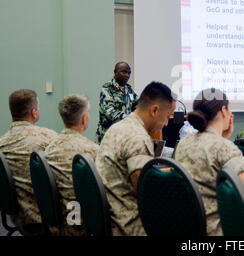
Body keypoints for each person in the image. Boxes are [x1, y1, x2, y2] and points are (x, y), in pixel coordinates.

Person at [175, 88, 244, 236]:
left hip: (189, 229)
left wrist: (222, 137)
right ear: (224, 111)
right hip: (219, 230)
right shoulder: (223, 147)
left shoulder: (184, 143)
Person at [95, 81, 175, 236]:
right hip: (128, 224)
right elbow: (146, 192)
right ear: (155, 110)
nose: (166, 123)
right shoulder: (137, 137)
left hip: (109, 216)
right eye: (167, 117)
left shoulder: (118, 128)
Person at [0, 89, 57, 226]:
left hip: (17, 217)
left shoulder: (2, 143)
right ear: (34, 112)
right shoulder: (48, 137)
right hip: (49, 216)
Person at [45, 94, 98, 236]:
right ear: (84, 119)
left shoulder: (49, 147)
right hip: (83, 223)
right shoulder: (92, 150)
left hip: (58, 220)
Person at [96, 61, 139, 143]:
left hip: (124, 137)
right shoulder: (107, 88)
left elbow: (138, 106)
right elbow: (110, 112)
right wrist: (130, 119)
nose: (127, 75)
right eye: (124, 72)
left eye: (129, 73)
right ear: (115, 72)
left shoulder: (128, 89)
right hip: (108, 136)